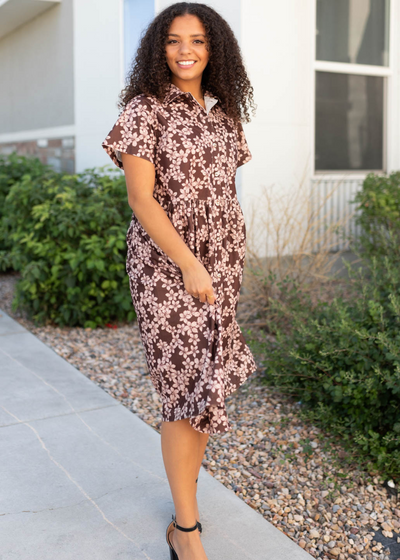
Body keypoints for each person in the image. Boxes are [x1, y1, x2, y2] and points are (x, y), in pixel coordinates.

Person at [102, 3, 257, 559]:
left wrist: (225, 257)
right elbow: (142, 199)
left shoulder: (226, 116)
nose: (185, 49)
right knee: (182, 387)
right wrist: (190, 263)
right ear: (157, 49)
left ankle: (183, 503)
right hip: (166, 265)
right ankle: (186, 531)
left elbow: (223, 195)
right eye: (172, 40)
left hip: (222, 264)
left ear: (215, 48)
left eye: (196, 39)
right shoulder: (145, 110)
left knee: (208, 381)